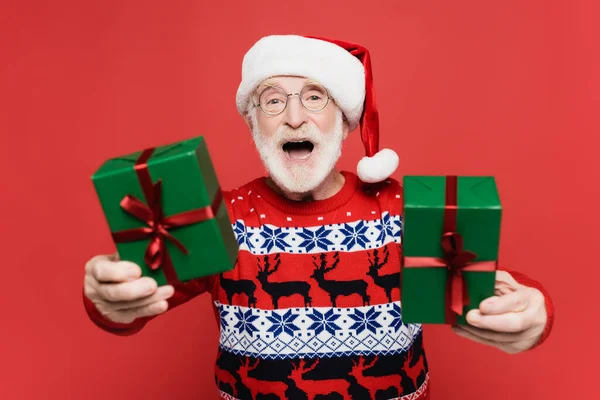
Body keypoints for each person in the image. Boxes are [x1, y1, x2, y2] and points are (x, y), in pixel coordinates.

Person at [83, 35, 554, 400]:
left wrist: (531, 309)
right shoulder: (218, 216)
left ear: (345, 121)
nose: (293, 117)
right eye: (272, 100)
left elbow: (489, 285)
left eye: (314, 98)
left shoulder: (403, 209)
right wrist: (111, 299)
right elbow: (136, 301)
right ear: (253, 124)